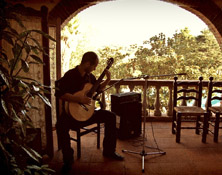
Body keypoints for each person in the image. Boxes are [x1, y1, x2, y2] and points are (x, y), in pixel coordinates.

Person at [55, 51, 124, 173]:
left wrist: (108, 79)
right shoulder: (70, 75)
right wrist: (78, 99)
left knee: (111, 117)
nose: (95, 68)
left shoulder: (90, 77)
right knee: (60, 125)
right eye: (94, 65)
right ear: (87, 63)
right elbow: (60, 94)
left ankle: (109, 150)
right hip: (72, 115)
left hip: (87, 113)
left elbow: (98, 88)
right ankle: (68, 160)